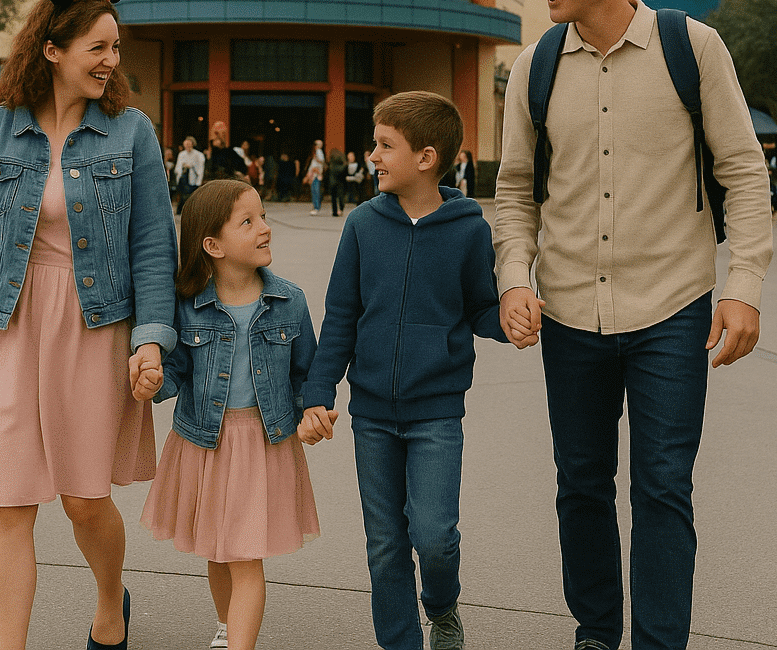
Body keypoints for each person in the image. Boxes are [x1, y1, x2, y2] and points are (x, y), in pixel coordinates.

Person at [493, 0, 773, 650]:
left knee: (661, 490)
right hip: (570, 313)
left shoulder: (692, 46)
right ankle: (595, 632)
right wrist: (514, 277)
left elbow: (744, 173)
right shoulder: (536, 65)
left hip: (672, 308)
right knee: (580, 488)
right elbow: (515, 188)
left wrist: (743, 286)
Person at [0, 0, 178, 650]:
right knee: (5, 502)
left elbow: (155, 245)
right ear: (52, 50)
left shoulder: (130, 134)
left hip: (95, 326)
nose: (110, 61)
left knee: (83, 499)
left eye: (116, 48)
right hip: (9, 325)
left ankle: (109, 601)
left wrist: (151, 340)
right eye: (97, 47)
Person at [298, 91, 513, 650]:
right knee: (386, 543)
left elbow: (478, 307)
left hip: (436, 410)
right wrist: (318, 390)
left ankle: (442, 607)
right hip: (371, 412)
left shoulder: (468, 228)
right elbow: (342, 315)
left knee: (434, 536)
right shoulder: (364, 225)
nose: (373, 155)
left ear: (426, 157)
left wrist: (510, 318)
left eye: (385, 145)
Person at [136, 180, 320, 650]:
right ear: (212, 245)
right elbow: (176, 371)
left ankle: (240, 642)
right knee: (217, 550)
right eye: (248, 221)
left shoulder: (289, 301)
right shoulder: (187, 306)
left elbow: (306, 375)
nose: (265, 228)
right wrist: (155, 381)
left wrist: (312, 412)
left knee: (245, 556)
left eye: (262, 217)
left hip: (262, 443)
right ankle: (227, 625)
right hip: (205, 443)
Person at [175, 135, 206, 214]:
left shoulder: (198, 155)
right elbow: (178, 167)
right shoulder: (181, 154)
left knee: (192, 196)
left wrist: (199, 181)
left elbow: (200, 169)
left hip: (193, 178)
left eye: (189, 144)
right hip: (184, 177)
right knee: (183, 196)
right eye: (186, 145)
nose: (187, 146)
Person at [303, 139, 325, 214]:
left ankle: (316, 207)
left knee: (315, 191)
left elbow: (321, 160)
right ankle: (316, 206)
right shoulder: (316, 152)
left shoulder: (318, 151)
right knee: (314, 190)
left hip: (315, 174)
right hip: (314, 173)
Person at [327, 147, 347, 216]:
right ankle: (341, 209)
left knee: (333, 198)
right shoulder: (343, 166)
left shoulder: (331, 165)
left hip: (332, 182)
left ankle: (334, 211)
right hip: (340, 182)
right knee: (341, 196)